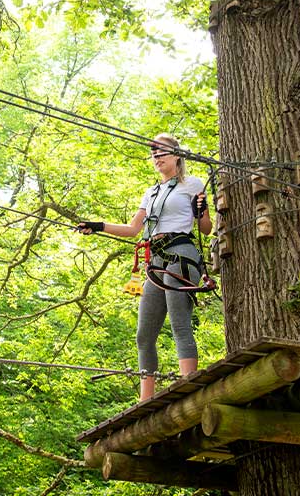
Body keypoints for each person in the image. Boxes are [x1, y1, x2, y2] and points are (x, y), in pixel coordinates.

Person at [76, 134, 212, 400]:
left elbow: (206, 229)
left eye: (161, 152)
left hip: (180, 255)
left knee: (179, 323)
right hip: (155, 261)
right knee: (144, 334)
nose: (157, 157)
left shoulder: (192, 184)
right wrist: (97, 226)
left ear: (177, 155)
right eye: (153, 153)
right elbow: (133, 229)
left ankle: (189, 387)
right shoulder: (151, 192)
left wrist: (202, 211)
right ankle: (145, 399)